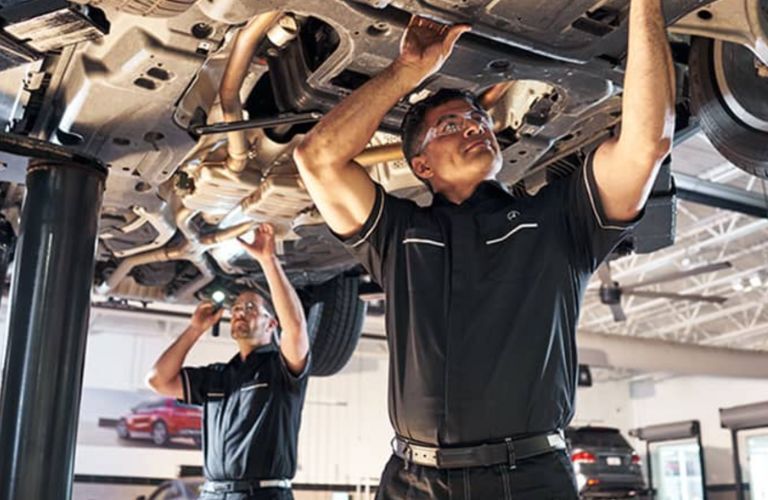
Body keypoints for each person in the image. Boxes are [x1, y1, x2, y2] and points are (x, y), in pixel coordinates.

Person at [293, 1, 674, 497]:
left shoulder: (558, 219)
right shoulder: (399, 235)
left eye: (479, 120)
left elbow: (647, 144)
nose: (474, 126)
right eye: (451, 126)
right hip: (415, 481)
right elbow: (316, 159)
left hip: (529, 480)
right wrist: (407, 70)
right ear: (421, 166)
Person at [147, 223, 310, 500]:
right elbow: (158, 380)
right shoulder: (218, 376)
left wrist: (267, 260)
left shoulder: (279, 369)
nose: (239, 313)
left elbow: (294, 328)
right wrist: (195, 329)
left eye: (250, 308)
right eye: (235, 308)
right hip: (212, 494)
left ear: (271, 324)